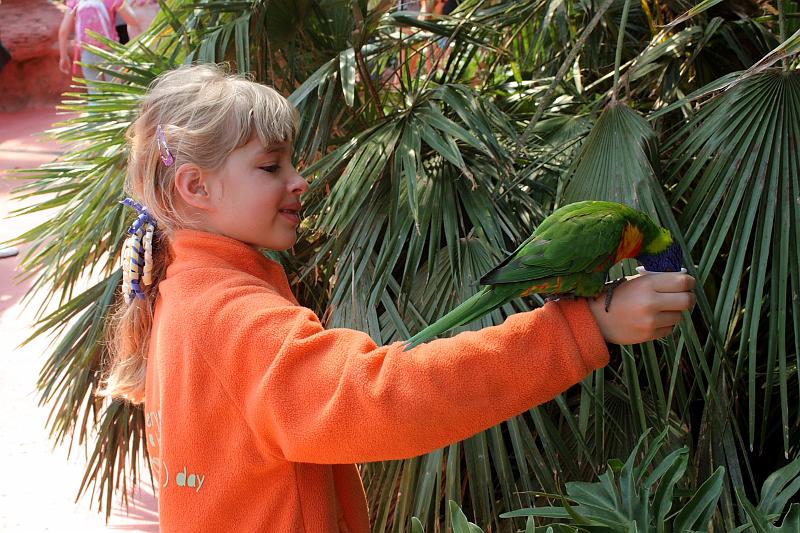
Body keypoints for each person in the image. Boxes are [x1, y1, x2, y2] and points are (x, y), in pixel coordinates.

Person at [99, 64, 696, 532]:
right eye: (270, 166)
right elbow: (380, 400)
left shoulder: (178, 294)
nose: (298, 180)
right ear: (196, 186)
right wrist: (581, 329)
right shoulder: (230, 317)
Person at [58, 0, 140, 89]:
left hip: (87, 53)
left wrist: (63, 56)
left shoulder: (76, 1)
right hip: (110, 52)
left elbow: (63, 31)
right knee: (116, 91)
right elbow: (133, 21)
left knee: (94, 91)